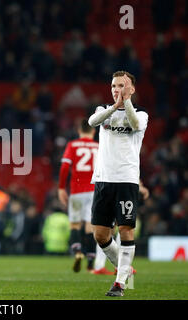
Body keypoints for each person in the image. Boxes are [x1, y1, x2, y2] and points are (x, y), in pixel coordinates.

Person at [88, 71, 148, 296]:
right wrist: (114, 107)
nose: (116, 90)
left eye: (122, 85)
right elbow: (92, 121)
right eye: (114, 85)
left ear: (131, 89)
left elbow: (134, 124)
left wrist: (126, 104)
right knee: (100, 235)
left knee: (125, 229)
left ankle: (120, 283)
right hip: (103, 179)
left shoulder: (141, 114)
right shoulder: (103, 110)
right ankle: (125, 269)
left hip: (126, 180)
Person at [58, 119, 98, 273]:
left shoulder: (73, 145)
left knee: (75, 224)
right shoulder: (99, 146)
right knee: (90, 225)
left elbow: (64, 166)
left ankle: (78, 252)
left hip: (76, 191)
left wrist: (61, 187)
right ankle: (90, 261)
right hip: (94, 191)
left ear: (78, 130)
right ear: (93, 132)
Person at [92, 180, 149, 275]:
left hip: (105, 184)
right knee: (114, 228)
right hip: (115, 184)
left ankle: (103, 265)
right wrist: (139, 184)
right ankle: (117, 265)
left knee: (111, 229)